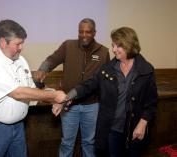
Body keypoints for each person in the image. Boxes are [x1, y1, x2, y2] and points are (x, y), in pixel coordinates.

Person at [53, 27, 158, 157]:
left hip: (135, 129)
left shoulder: (146, 70)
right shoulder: (107, 69)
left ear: (129, 45)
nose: (113, 50)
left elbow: (151, 103)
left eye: (118, 46)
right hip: (112, 130)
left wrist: (143, 123)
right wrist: (67, 97)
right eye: (113, 45)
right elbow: (88, 85)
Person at [0, 19, 67, 157]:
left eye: (22, 43)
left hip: (18, 127)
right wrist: (54, 96)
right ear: (3, 42)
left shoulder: (20, 60)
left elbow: (31, 90)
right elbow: (17, 93)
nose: (21, 47)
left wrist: (53, 99)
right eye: (18, 43)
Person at [34, 18, 110, 157]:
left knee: (89, 142)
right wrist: (42, 69)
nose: (84, 35)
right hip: (68, 104)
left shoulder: (103, 52)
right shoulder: (68, 45)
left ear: (94, 33)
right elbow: (52, 59)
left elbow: (104, 80)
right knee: (67, 142)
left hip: (92, 105)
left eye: (88, 32)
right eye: (81, 32)